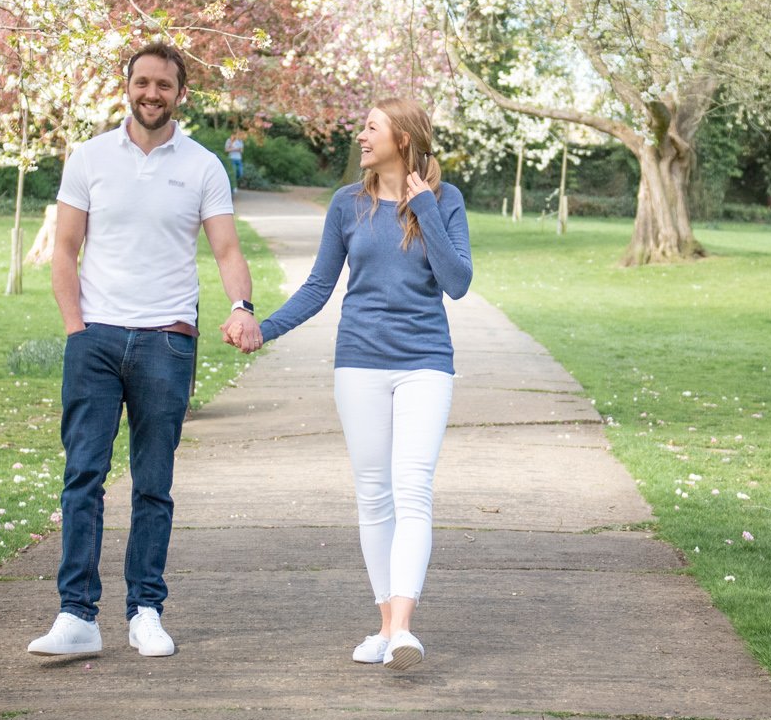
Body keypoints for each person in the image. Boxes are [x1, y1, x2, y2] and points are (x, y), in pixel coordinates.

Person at [26, 43, 264, 661]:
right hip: (96, 340)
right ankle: (76, 616)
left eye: (164, 84)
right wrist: (77, 328)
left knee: (153, 484)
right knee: (83, 477)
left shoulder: (205, 166)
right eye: (142, 82)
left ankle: (145, 612)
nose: (151, 93)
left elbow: (228, 252)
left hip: (167, 341)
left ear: (181, 93)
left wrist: (242, 307)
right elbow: (65, 249)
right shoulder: (90, 158)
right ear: (126, 86)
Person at [244, 96, 472, 671]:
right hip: (360, 363)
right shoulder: (348, 204)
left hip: (425, 363)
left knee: (412, 487)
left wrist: (425, 208)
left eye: (371, 128)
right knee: (374, 494)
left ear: (403, 138)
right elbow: (320, 286)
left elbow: (457, 282)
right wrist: (264, 330)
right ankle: (386, 628)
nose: (360, 137)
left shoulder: (445, 200)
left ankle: (402, 629)